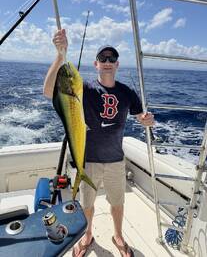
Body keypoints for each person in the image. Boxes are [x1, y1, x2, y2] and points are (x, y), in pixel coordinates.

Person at [43, 29, 154, 257]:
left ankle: (118, 235)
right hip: (88, 160)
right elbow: (48, 91)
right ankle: (88, 234)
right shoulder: (85, 89)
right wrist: (59, 55)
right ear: (95, 64)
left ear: (117, 64)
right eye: (102, 59)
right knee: (87, 204)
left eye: (111, 59)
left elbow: (139, 116)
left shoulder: (127, 92)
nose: (107, 62)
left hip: (115, 159)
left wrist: (146, 120)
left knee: (117, 203)